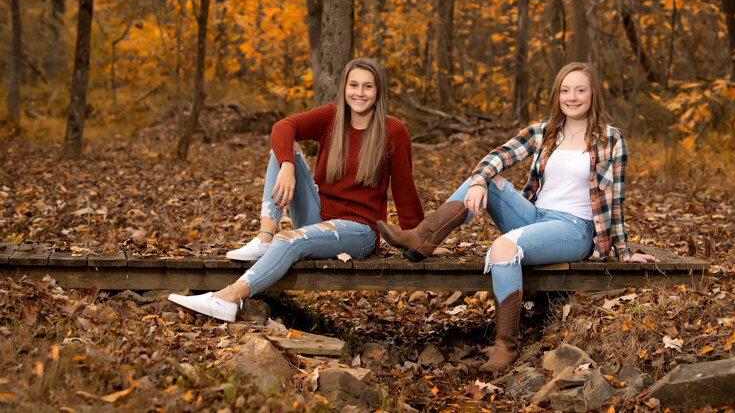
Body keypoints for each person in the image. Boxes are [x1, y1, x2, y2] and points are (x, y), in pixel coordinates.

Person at [378, 62, 657, 374]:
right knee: (486, 179)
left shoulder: (610, 139)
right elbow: (496, 156)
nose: (572, 97)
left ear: (593, 95)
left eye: (580, 90)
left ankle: (505, 346)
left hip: (574, 229)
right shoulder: (545, 131)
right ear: (557, 95)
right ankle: (423, 236)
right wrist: (480, 181)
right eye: (565, 90)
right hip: (535, 216)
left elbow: (613, 201)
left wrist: (623, 251)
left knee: (503, 248)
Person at [169, 58, 424, 322]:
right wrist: (288, 166)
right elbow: (283, 127)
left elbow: (405, 192)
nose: (360, 93)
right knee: (281, 150)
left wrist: (422, 239)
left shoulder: (394, 130)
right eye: (354, 85)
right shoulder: (331, 116)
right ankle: (264, 237)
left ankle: (228, 298)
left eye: (368, 86)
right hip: (318, 217)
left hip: (360, 231)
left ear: (378, 91)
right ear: (344, 87)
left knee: (289, 239)